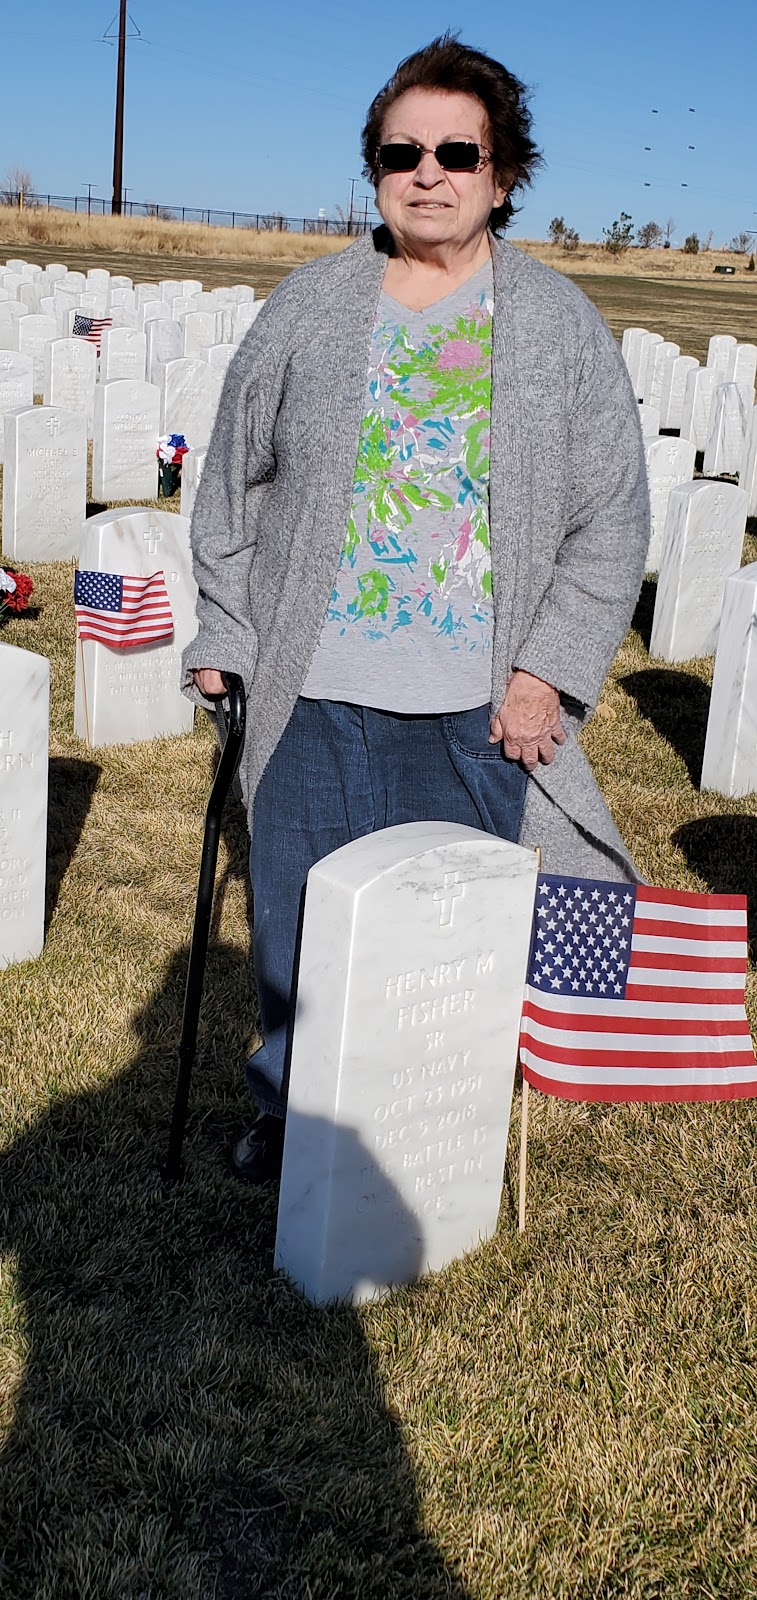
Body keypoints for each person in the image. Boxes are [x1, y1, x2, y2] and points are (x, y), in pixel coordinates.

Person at [183, 35, 649, 1185]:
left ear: (502, 174)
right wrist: (227, 632)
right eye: (402, 150)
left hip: (479, 706)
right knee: (296, 922)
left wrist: (546, 669)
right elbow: (231, 484)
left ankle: (424, 1122)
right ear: (374, 168)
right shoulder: (309, 306)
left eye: (456, 151)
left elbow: (613, 518)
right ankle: (292, 1110)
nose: (427, 171)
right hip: (314, 690)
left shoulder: (556, 323)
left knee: (451, 940)